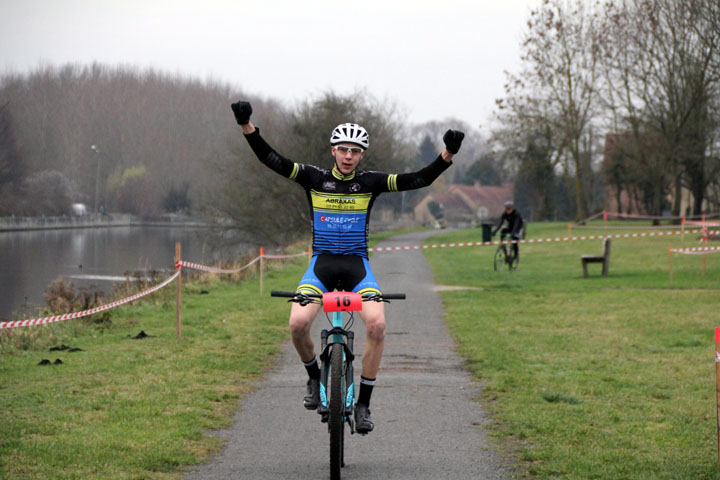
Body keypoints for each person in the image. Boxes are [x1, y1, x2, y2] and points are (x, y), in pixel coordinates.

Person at [231, 100, 464, 434]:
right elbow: (273, 161)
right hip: (320, 267)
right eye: (343, 149)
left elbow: (417, 180)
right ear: (333, 151)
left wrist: (447, 155)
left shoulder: (370, 182)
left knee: (377, 326)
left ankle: (364, 403)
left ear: (362, 155)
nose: (348, 156)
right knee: (297, 324)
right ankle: (314, 378)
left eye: (355, 151)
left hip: (357, 268)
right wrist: (246, 126)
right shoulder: (313, 178)